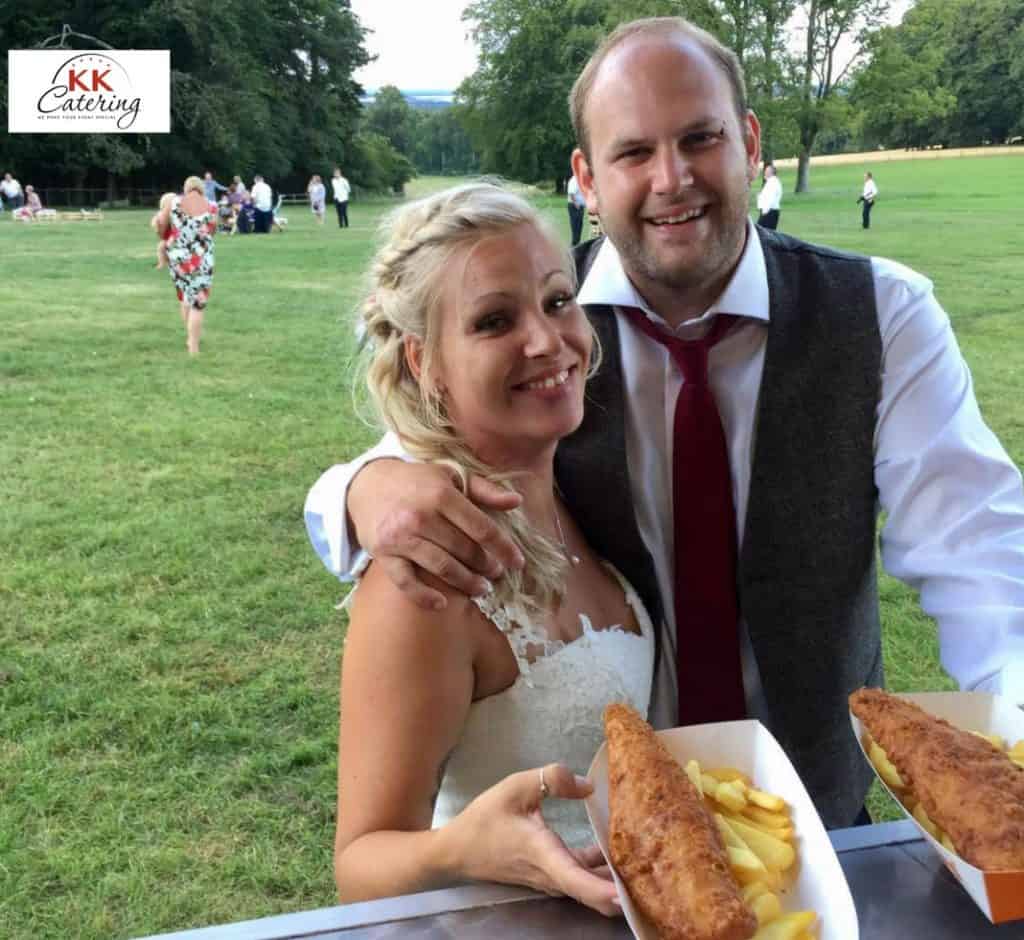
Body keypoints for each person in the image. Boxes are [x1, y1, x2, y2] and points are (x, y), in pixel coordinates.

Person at [304, 16, 1024, 830]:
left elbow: (978, 548)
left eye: (701, 138)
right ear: (586, 175)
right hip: (621, 843)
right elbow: (418, 453)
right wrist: (361, 485)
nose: (672, 178)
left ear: (750, 142)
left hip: (822, 825)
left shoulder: (882, 314)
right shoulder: (547, 332)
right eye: (633, 152)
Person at [330, 182, 652, 913]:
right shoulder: (425, 583)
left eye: (557, 300)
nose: (546, 340)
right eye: (494, 320)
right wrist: (463, 849)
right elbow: (358, 864)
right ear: (424, 363)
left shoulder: (577, 485)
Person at [155, 175, 216, 355]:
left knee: (185, 298)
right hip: (202, 259)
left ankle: (190, 338)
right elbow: (212, 230)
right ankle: (194, 347)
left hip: (178, 258)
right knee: (198, 303)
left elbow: (160, 224)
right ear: (201, 189)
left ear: (186, 188)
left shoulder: (173, 202)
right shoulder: (213, 206)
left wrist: (167, 235)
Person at [150, 192, 176, 268]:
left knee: (162, 247)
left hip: (174, 238)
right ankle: (164, 262)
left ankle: (163, 263)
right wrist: (156, 225)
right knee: (162, 248)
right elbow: (154, 221)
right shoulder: (161, 214)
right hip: (167, 237)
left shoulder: (176, 214)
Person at [756, 162, 782, 230]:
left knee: (763, 233)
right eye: (765, 171)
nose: (765, 172)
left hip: (769, 212)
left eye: (767, 171)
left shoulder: (772, 182)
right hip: (769, 211)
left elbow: (770, 198)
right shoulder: (771, 182)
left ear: (771, 173)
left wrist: (764, 212)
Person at [567, 172, 586, 246]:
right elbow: (571, 193)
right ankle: (574, 243)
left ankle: (577, 242)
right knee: (575, 225)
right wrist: (576, 204)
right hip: (574, 206)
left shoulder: (579, 179)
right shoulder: (574, 180)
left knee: (579, 225)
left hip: (580, 206)